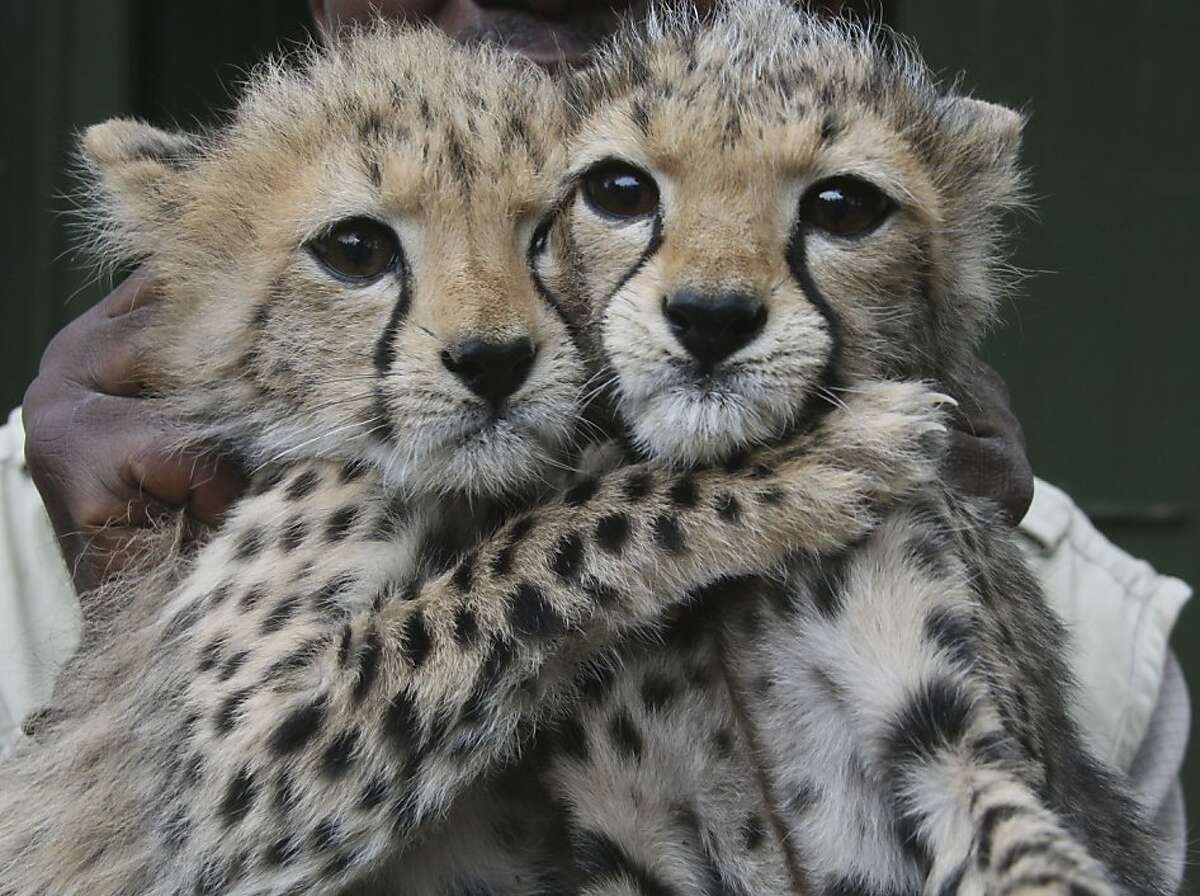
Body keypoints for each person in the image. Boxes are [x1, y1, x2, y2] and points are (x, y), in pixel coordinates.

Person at [1, 0, 1190, 887]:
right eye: (361, 251)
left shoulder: (1100, 619)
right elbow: (249, 821)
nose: (482, 324)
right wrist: (129, 619)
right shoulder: (62, 510)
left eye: (536, 233)